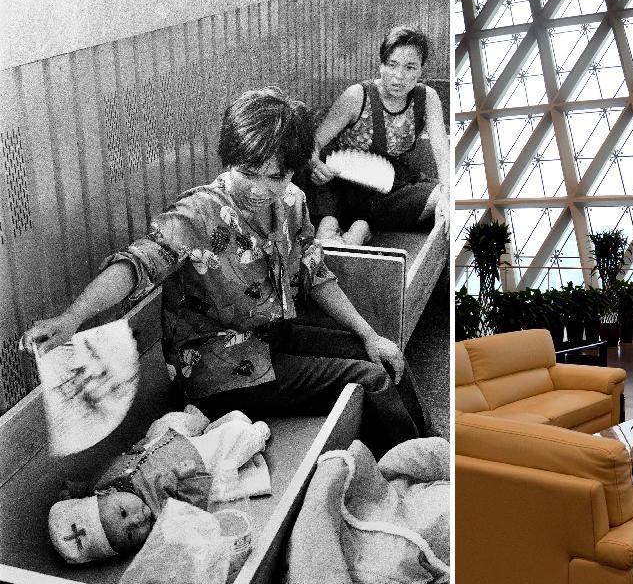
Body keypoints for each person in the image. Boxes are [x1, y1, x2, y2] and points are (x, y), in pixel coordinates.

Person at [22, 87, 421, 459]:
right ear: (229, 160)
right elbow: (136, 264)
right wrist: (72, 318)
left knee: (385, 358)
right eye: (250, 173)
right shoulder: (199, 214)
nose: (263, 189)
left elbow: (316, 273)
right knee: (371, 379)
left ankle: (434, 460)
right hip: (218, 373)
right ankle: (414, 475)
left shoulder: (293, 202)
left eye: (277, 176)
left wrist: (369, 334)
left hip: (272, 339)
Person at [49, 408, 270, 563]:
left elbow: (89, 490)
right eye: (131, 535)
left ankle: (199, 422)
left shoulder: (101, 487)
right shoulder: (162, 518)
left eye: (123, 513)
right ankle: (254, 436)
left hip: (161, 441)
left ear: (105, 494)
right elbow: (192, 509)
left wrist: (76, 491)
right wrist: (185, 478)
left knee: (164, 421)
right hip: (194, 457)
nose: (137, 520)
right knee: (231, 439)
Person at [307, 26, 450, 244]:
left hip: (388, 187)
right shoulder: (357, 96)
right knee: (326, 218)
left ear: (421, 70)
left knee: (445, 200)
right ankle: (348, 228)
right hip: (342, 186)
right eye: (392, 65)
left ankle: (361, 228)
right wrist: (315, 165)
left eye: (410, 67)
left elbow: (441, 149)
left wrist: (447, 193)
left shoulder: (426, 98)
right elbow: (314, 143)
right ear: (381, 64)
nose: (399, 76)